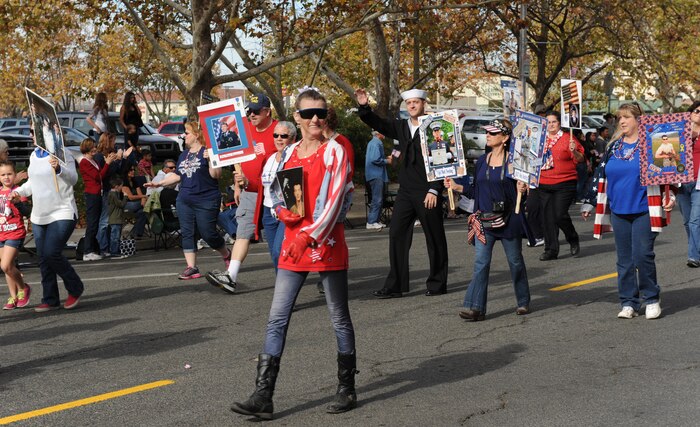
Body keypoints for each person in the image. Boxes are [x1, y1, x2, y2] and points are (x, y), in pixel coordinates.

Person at [230, 88, 357, 420]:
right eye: (308, 113)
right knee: (277, 317)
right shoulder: (285, 155)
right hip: (292, 244)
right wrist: (283, 213)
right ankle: (263, 395)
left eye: (321, 112)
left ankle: (346, 388)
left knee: (338, 316)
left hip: (324, 243)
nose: (315, 118)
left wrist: (310, 235)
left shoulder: (335, 152)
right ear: (297, 117)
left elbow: (332, 203)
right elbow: (278, 195)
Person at [581, 102, 674, 319]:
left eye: (626, 117)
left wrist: (669, 196)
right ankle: (628, 301)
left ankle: (651, 298)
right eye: (619, 117)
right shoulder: (614, 147)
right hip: (618, 210)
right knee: (624, 260)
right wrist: (589, 201)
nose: (621, 121)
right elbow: (599, 176)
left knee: (642, 255)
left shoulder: (652, 144)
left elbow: (668, 174)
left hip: (644, 208)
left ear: (638, 120)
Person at [355, 87, 448, 298]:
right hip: (406, 191)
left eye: (416, 102)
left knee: (434, 237)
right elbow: (378, 124)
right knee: (396, 233)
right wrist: (364, 107)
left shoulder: (437, 127)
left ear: (423, 103)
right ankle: (395, 285)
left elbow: (444, 161)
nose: (412, 106)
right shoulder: (401, 126)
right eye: (409, 103)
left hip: (428, 190)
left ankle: (437, 283)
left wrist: (435, 189)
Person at [447, 119, 531, 321]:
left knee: (515, 262)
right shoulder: (482, 160)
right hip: (484, 220)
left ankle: (523, 301)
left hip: (508, 219)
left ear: (505, 138)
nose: (488, 136)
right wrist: (456, 187)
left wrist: (523, 189)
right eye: (488, 133)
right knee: (481, 264)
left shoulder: (515, 161)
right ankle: (475, 308)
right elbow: (476, 189)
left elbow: (523, 192)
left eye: (493, 133)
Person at [204, 93, 277, 292]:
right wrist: (238, 184)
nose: (251, 114)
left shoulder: (279, 131)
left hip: (274, 193)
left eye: (255, 110)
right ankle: (231, 276)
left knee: (280, 238)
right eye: (249, 111)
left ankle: (302, 274)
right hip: (250, 191)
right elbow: (238, 156)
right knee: (243, 232)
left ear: (267, 111)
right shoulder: (245, 131)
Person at [145, 121, 230, 280]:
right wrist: (159, 183)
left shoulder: (208, 151)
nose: (184, 135)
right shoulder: (184, 155)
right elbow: (178, 176)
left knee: (208, 233)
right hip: (184, 200)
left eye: (187, 132)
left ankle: (226, 254)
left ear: (196, 135)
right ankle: (192, 267)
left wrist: (212, 159)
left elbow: (216, 175)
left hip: (206, 199)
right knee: (187, 233)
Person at [14, 134, 84, 312]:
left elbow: (73, 179)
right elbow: (32, 183)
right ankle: (50, 298)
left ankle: (75, 288)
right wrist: (18, 192)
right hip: (39, 215)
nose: (32, 135)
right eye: (30, 131)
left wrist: (59, 168)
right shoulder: (33, 155)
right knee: (44, 258)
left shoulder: (62, 152)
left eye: (34, 131)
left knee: (51, 252)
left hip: (62, 212)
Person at [531, 111, 584, 261]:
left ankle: (572, 237)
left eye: (554, 122)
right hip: (544, 182)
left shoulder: (568, 138)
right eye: (548, 122)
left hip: (564, 183)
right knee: (547, 217)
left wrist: (574, 151)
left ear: (559, 123)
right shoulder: (540, 139)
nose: (551, 125)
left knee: (559, 214)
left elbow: (580, 159)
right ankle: (551, 250)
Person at [259, 121, 295, 268]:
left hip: (286, 210)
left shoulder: (295, 157)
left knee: (278, 251)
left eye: (283, 135)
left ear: (292, 138)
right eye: (276, 135)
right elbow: (263, 185)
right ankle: (283, 285)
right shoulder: (270, 159)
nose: (279, 139)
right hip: (269, 211)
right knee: (274, 255)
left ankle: (288, 284)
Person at [0, 161, 31, 310]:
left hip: (15, 232)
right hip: (1, 233)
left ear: (15, 175)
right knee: (8, 267)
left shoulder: (19, 191)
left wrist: (18, 202)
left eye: (9, 174)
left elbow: (27, 212)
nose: (6, 177)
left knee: (5, 265)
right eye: (3, 174)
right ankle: (13, 297)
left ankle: (23, 287)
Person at [95, 132, 132, 257]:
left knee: (109, 221)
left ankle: (109, 248)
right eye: (113, 141)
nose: (115, 144)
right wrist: (114, 161)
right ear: (107, 142)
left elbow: (119, 171)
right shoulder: (100, 157)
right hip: (106, 190)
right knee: (104, 220)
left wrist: (123, 158)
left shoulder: (111, 155)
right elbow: (104, 174)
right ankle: (102, 248)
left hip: (113, 190)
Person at [78, 137, 115, 261]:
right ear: (87, 148)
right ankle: (87, 251)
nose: (95, 149)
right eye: (93, 147)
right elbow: (97, 176)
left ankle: (94, 249)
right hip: (92, 194)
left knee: (96, 222)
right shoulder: (84, 162)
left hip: (98, 193)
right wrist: (108, 163)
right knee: (92, 223)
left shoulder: (92, 161)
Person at [677, 101, 700, 268]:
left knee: (695, 221)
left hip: (699, 182)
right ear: (690, 113)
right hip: (682, 182)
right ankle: (697, 247)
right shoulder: (679, 131)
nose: (699, 113)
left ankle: (693, 256)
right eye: (697, 111)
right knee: (687, 221)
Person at [365, 131, 391, 230]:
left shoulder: (373, 142)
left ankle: (375, 220)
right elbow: (375, 159)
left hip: (374, 174)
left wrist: (385, 158)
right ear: (378, 134)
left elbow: (374, 158)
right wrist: (387, 160)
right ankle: (372, 221)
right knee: (377, 199)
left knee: (378, 199)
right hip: (376, 175)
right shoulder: (376, 143)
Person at [122, 167, 148, 239]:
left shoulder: (134, 181)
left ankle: (136, 233)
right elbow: (130, 197)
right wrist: (144, 197)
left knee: (143, 212)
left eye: (134, 170)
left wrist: (142, 198)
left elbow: (139, 194)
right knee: (146, 205)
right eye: (131, 170)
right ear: (126, 172)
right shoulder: (124, 182)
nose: (133, 171)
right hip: (126, 204)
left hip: (137, 204)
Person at [107, 176, 128, 259]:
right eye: (121, 186)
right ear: (116, 186)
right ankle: (114, 252)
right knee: (115, 237)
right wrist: (125, 196)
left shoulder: (114, 194)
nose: (122, 188)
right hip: (115, 218)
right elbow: (121, 204)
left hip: (117, 218)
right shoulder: (113, 194)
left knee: (117, 236)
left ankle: (117, 250)